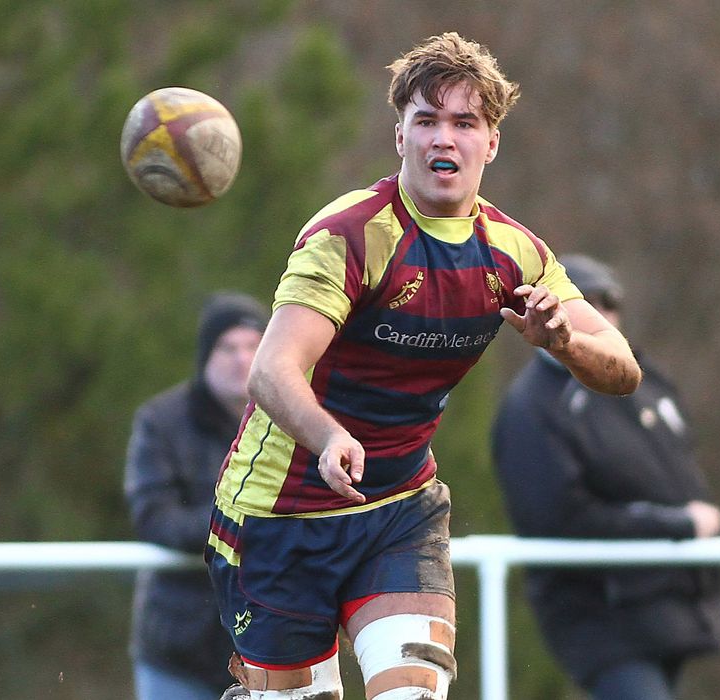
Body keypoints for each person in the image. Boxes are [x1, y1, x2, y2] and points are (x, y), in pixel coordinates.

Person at [206, 32, 643, 700]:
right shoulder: (350, 235)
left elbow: (623, 369)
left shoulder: (512, 253)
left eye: (464, 122)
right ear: (400, 137)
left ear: (490, 143)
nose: (445, 138)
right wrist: (327, 438)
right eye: (427, 120)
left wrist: (564, 343)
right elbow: (271, 371)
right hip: (278, 520)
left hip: (398, 512)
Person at [491, 254, 720, 700]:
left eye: (609, 302)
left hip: (671, 604)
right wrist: (677, 526)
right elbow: (559, 521)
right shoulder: (531, 410)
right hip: (600, 614)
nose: (601, 313)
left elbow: (679, 470)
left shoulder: (646, 379)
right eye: (585, 302)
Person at [124, 292, 269, 700]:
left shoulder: (297, 419)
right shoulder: (160, 420)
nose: (242, 358)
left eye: (253, 346)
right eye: (228, 347)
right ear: (206, 354)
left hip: (274, 641)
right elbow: (153, 517)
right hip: (177, 646)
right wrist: (243, 522)